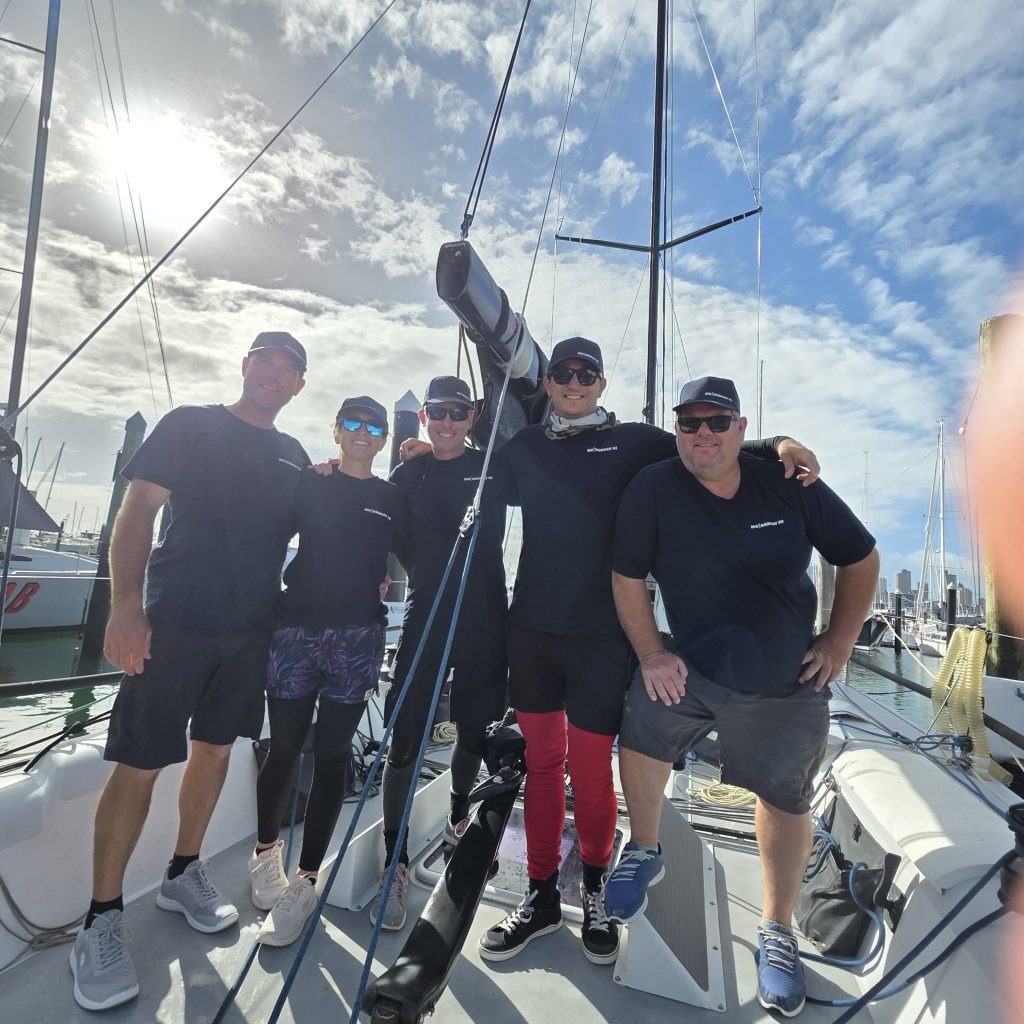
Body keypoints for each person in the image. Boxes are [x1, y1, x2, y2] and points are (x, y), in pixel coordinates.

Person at [475, 339, 820, 966]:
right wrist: (423, 452)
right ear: (547, 383)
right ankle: (542, 895)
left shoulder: (637, 442)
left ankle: (600, 894)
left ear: (602, 384)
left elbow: (713, 449)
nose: (574, 382)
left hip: (603, 641)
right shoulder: (523, 448)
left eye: (587, 373)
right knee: (543, 767)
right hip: (529, 632)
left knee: (589, 769)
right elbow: (473, 487)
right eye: (562, 373)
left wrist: (782, 445)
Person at [604, 375, 878, 1016]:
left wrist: (839, 642)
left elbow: (859, 557)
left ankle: (775, 929)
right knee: (641, 724)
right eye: (690, 422)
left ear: (740, 427)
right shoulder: (654, 487)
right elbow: (626, 577)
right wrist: (651, 654)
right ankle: (643, 850)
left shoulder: (786, 480)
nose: (703, 434)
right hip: (693, 666)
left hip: (786, 679)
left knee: (784, 798)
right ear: (677, 430)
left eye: (717, 422)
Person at [71, 332, 309, 1011]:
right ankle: (101, 919)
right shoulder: (190, 426)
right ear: (245, 365)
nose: (273, 372)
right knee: (142, 763)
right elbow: (137, 512)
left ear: (298, 386)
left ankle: (183, 871)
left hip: (250, 630)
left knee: (213, 754)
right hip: (172, 622)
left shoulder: (292, 455)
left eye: (287, 368)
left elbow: (317, 522)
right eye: (264, 359)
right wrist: (125, 607)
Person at [250, 396, 410, 946]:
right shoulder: (309, 481)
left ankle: (306, 880)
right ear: (337, 431)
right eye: (353, 424)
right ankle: (265, 854)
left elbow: (415, 549)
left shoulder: (392, 497)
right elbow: (265, 533)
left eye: (375, 426)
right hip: (295, 630)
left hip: (357, 637)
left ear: (384, 439)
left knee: (335, 756)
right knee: (285, 749)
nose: (364, 433)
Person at [369, 376, 508, 931]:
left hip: (484, 616)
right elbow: (390, 535)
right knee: (405, 735)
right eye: (437, 414)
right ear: (423, 417)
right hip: (427, 611)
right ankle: (394, 861)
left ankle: (456, 817)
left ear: (473, 416)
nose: (447, 422)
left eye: (457, 412)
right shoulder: (408, 471)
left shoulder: (496, 468)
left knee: (473, 728)